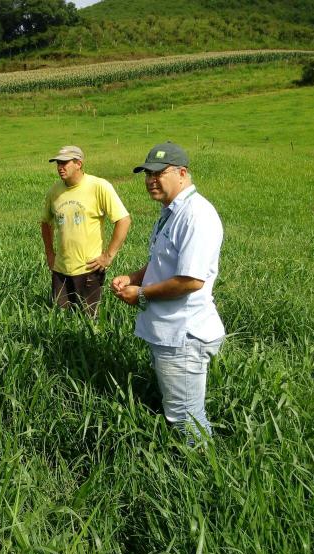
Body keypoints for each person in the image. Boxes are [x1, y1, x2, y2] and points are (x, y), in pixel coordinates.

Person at [111, 142, 225, 444]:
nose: (151, 180)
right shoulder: (172, 212)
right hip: (171, 332)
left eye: (159, 173)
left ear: (182, 173)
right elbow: (164, 260)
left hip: (183, 336)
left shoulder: (196, 215)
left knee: (185, 417)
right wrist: (134, 277)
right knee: (180, 409)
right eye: (147, 174)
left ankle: (202, 474)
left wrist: (142, 294)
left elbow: (190, 280)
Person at [40, 145, 131, 317]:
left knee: (89, 322)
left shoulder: (99, 186)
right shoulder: (54, 191)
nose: (60, 167)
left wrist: (108, 256)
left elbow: (123, 220)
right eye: (58, 163)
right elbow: (46, 223)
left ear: (78, 163)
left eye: (65, 163)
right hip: (60, 269)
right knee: (60, 320)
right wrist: (49, 254)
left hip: (89, 269)